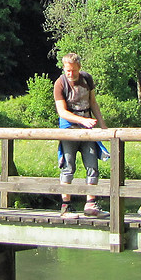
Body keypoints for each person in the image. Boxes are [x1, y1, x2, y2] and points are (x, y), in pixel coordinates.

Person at [53, 53, 108, 218]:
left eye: (74, 71)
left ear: (79, 69)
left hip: (87, 129)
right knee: (68, 166)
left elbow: (93, 103)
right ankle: (66, 207)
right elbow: (62, 111)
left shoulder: (87, 80)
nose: (70, 74)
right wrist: (81, 121)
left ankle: (91, 204)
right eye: (68, 70)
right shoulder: (60, 83)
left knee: (92, 165)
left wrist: (103, 126)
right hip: (69, 128)